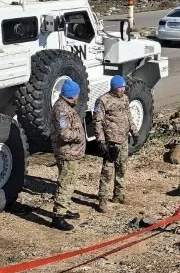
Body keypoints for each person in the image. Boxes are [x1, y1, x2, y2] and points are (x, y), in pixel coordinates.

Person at [93, 75, 138, 212]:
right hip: (111, 142)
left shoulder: (125, 98)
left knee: (122, 168)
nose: (122, 89)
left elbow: (128, 116)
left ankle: (118, 194)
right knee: (107, 171)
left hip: (123, 140)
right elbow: (97, 122)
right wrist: (101, 141)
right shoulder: (103, 100)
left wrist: (134, 131)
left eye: (123, 87)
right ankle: (103, 199)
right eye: (120, 87)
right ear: (114, 88)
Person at [50, 78, 86, 231]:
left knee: (69, 182)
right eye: (77, 94)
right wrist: (80, 136)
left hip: (71, 152)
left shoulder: (65, 106)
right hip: (67, 153)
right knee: (66, 183)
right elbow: (64, 134)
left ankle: (64, 209)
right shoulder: (62, 110)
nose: (78, 97)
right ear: (72, 95)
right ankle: (58, 216)